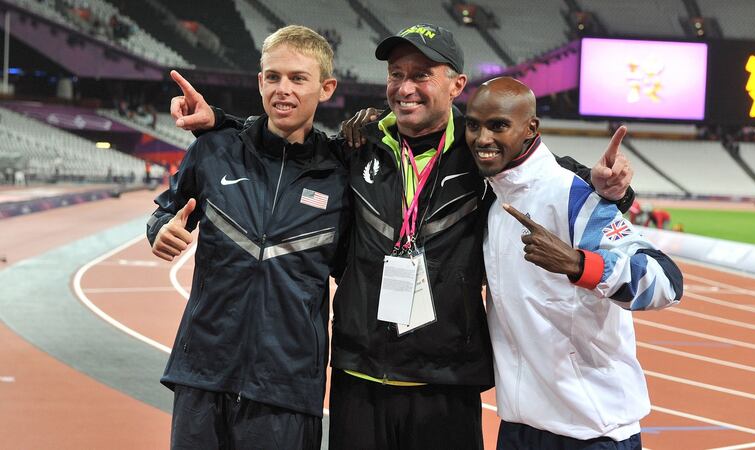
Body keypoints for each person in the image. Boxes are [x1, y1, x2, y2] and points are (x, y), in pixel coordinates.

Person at [170, 23, 635, 450]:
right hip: (360, 376)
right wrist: (222, 123)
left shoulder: (481, 158)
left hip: (445, 382)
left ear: (456, 85)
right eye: (397, 74)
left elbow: (547, 178)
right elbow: (288, 142)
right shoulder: (357, 146)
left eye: (422, 74)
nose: (406, 87)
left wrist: (614, 188)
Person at [146, 25, 350, 450]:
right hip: (203, 370)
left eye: (298, 78)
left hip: (287, 385)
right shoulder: (213, 150)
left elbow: (352, 270)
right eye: (273, 77)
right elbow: (167, 210)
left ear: (326, 87)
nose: (283, 89)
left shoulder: (341, 175)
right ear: (260, 82)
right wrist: (160, 230)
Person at [465, 77, 683, 449]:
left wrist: (581, 265)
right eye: (473, 125)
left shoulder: (572, 195)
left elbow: (666, 282)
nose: (482, 138)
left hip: (592, 430)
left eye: (498, 125)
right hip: (520, 427)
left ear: (531, 128)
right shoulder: (494, 200)